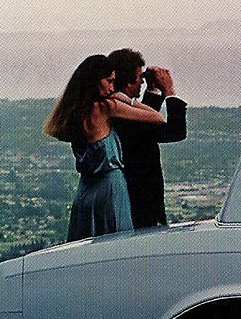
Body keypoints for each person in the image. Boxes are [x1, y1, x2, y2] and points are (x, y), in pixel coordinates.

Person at [44, 54, 165, 241]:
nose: (111, 87)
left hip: (85, 191)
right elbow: (157, 118)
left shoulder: (74, 113)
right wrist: (126, 99)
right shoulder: (107, 107)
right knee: (117, 244)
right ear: (94, 81)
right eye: (109, 81)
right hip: (110, 188)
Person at [107, 48, 188, 229]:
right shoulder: (123, 116)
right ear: (129, 82)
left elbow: (142, 117)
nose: (141, 82)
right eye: (139, 78)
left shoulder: (115, 108)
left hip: (132, 192)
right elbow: (175, 131)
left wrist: (152, 90)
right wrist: (169, 91)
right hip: (141, 195)